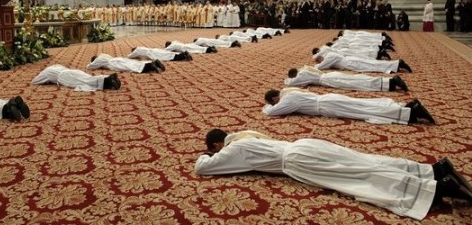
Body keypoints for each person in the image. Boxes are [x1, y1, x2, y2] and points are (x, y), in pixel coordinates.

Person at [195, 129, 472, 221]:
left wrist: (206, 156)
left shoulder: (234, 148)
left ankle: (434, 189)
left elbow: (203, 168)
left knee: (357, 177)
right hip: (305, 144)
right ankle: (431, 170)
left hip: (297, 161)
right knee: (362, 161)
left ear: (218, 145)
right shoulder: (247, 133)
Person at [262, 88, 432, 124]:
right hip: (329, 99)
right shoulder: (290, 92)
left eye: (273, 101)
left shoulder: (287, 99)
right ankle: (405, 106)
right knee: (363, 105)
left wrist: (266, 107)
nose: (276, 103)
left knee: (362, 111)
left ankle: (408, 113)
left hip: (327, 106)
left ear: (275, 98)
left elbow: (273, 112)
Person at [286, 65, 408, 92]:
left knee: (356, 84)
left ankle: (391, 82)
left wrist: (288, 78)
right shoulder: (305, 69)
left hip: (326, 80)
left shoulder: (299, 77)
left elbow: (289, 83)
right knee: (357, 79)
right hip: (329, 75)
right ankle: (389, 82)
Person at [31, 64, 121, 91]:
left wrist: (46, 80)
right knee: (88, 78)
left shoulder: (46, 72)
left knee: (84, 83)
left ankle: (108, 81)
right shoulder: (56, 66)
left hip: (64, 77)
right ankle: (107, 79)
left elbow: (34, 81)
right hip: (72, 71)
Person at [314, 52, 412, 73]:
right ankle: (395, 65)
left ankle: (397, 64)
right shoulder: (330, 55)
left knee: (371, 66)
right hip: (350, 60)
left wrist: (316, 65)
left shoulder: (329, 56)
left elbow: (321, 66)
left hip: (350, 63)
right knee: (371, 65)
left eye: (319, 60)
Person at [87, 53, 165, 73]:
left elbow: (90, 67)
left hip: (114, 64)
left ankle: (151, 65)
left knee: (131, 68)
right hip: (118, 59)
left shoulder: (98, 59)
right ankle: (154, 62)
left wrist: (91, 63)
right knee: (134, 63)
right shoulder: (103, 55)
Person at [127, 46, 193, 62]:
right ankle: (184, 54)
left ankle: (183, 56)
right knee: (168, 54)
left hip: (153, 54)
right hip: (154, 50)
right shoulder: (141, 48)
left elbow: (129, 57)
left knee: (168, 57)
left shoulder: (137, 51)